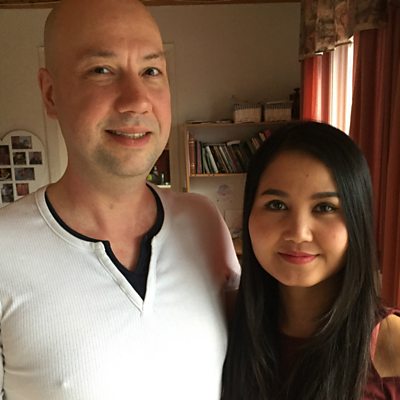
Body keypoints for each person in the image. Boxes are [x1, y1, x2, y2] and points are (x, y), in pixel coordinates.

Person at [0, 1, 240, 399]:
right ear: (51, 93)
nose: (137, 100)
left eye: (151, 71)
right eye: (102, 70)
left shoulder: (204, 221)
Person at [222, 121, 400, 400]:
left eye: (325, 207)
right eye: (277, 205)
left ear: (357, 220)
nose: (298, 232)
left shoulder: (392, 344)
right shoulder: (220, 322)